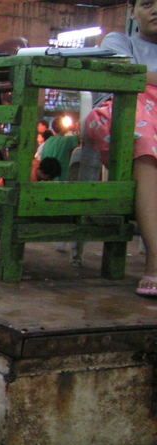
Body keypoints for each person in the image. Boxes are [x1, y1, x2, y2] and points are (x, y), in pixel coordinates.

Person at [85, 0, 157, 296]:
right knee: (143, 140)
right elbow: (127, 77)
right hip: (123, 113)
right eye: (147, 3)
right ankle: (156, 260)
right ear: (133, 11)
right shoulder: (118, 41)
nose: (156, 9)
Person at [36, 117, 78, 182]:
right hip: (61, 179)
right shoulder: (67, 140)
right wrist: (75, 127)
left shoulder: (48, 141)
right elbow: (83, 139)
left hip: (47, 179)